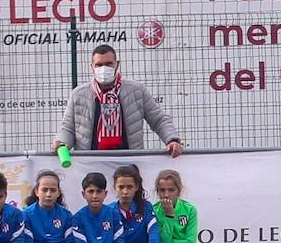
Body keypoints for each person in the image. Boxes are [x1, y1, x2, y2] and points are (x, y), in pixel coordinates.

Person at [53, 44, 184, 158]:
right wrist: (61, 143)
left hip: (128, 162)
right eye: (99, 65)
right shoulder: (78, 94)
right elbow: (68, 128)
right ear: (92, 66)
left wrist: (172, 139)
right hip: (90, 161)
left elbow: (158, 119)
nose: (103, 68)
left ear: (117, 64)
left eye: (109, 64)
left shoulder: (136, 91)